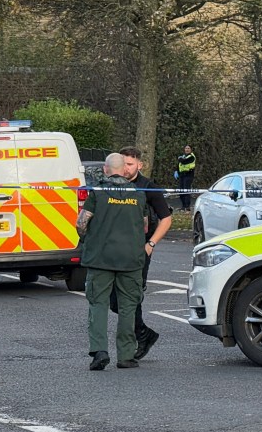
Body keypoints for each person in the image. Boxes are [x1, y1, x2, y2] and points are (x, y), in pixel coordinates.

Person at [78, 153, 147, 371]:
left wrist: (88, 237)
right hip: (130, 259)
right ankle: (126, 355)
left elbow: (81, 223)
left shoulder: (97, 193)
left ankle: (99, 352)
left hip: (100, 258)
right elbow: (144, 226)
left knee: (98, 304)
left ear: (106, 169)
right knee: (128, 307)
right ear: (124, 170)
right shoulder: (138, 194)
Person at [108, 147, 173, 360]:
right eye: (123, 163)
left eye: (130, 164)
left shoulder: (148, 188)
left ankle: (140, 336)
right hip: (115, 249)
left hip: (139, 249)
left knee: (132, 296)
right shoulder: (112, 185)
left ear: (139, 165)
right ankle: (144, 333)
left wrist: (151, 243)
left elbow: (166, 218)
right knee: (114, 301)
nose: (126, 168)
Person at [177, 145, 196, 210]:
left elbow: (184, 161)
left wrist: (180, 159)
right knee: (180, 191)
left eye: (188, 148)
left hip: (188, 175)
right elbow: (179, 165)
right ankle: (183, 206)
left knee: (186, 191)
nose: (187, 149)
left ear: (191, 150)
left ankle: (187, 207)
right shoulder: (183, 156)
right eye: (186, 148)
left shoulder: (191, 157)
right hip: (182, 175)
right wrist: (177, 172)